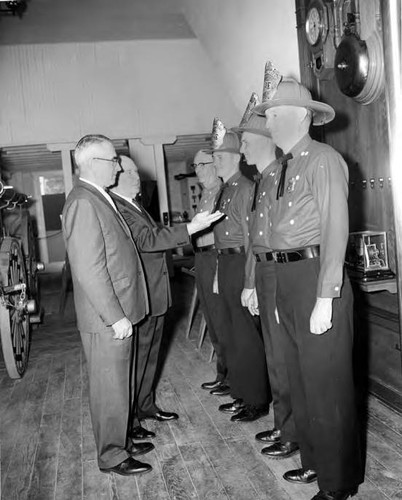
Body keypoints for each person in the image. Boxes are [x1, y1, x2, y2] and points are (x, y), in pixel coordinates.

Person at [254, 78, 362, 500]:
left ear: (301, 117)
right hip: (286, 279)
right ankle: (316, 463)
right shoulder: (282, 167)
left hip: (317, 275)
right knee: (301, 380)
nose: (270, 122)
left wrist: (326, 295)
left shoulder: (323, 159)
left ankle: (338, 484)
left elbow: (336, 227)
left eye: (275, 115)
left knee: (326, 385)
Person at [110, 155, 223, 436]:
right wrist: (190, 228)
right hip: (141, 294)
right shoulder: (119, 208)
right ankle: (132, 420)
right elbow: (148, 240)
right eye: (132, 172)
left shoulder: (134, 205)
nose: (139, 177)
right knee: (137, 359)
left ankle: (146, 405)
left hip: (155, 292)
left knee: (149, 355)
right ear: (116, 177)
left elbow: (156, 232)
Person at [62, 135, 152, 476]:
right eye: (114, 159)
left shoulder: (97, 197)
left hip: (117, 311)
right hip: (106, 318)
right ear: (95, 164)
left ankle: (122, 439)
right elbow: (89, 268)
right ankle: (112, 454)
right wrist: (115, 317)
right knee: (109, 388)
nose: (118, 165)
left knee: (120, 384)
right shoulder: (84, 202)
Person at [233, 97, 298, 458]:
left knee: (285, 357)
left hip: (281, 272)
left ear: (263, 140)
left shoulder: (280, 174)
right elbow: (255, 241)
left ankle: (293, 431)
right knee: (275, 356)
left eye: (246, 139)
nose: (241, 146)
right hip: (266, 272)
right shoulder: (262, 179)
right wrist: (251, 282)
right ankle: (283, 424)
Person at [212, 125, 270, 422]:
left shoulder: (246, 188)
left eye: (221, 154)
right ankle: (240, 392)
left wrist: (250, 282)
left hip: (241, 263)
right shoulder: (226, 189)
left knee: (247, 336)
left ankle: (256, 399)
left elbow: (252, 240)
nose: (216, 159)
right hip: (226, 264)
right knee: (232, 334)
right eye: (215, 155)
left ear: (236, 157)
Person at [191, 150, 229, 395]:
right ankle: (222, 373)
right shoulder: (205, 194)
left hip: (219, 257)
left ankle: (233, 375)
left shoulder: (226, 192)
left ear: (216, 164)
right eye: (195, 166)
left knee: (224, 320)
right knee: (212, 319)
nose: (198, 170)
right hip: (203, 258)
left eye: (202, 164)